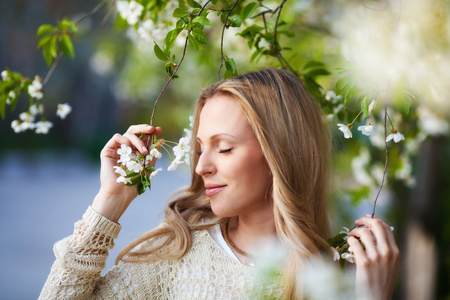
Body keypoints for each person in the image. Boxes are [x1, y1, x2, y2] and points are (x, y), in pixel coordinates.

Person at [39, 67, 400, 299]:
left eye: (224, 148)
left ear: (280, 153)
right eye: (199, 149)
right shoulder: (176, 256)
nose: (201, 167)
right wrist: (110, 202)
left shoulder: (339, 273)